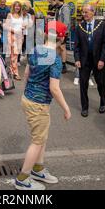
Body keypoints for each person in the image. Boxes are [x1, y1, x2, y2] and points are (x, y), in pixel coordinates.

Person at [15, 21, 71, 191]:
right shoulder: (54, 58)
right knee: (38, 141)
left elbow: (26, 74)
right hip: (38, 104)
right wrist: (66, 108)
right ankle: (23, 179)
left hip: (30, 99)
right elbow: (54, 88)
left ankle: (38, 169)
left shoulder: (34, 50)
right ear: (61, 37)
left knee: (41, 137)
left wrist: (26, 94)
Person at [74, 4, 105, 118]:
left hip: (98, 60)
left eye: (86, 12)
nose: (84, 14)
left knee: (101, 83)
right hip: (85, 60)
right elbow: (77, 46)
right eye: (83, 12)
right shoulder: (80, 27)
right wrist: (77, 59)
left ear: (93, 12)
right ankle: (85, 107)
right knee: (83, 84)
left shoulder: (102, 25)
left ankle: (103, 102)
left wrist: (102, 60)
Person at [4, 1, 24, 80]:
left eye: (19, 6)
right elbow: (5, 26)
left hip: (20, 37)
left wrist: (23, 28)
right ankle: (15, 73)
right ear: (13, 7)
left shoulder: (21, 15)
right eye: (16, 6)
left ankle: (11, 70)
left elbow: (21, 25)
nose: (17, 8)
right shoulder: (10, 15)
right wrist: (13, 30)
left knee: (15, 54)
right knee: (14, 54)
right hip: (12, 36)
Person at [55, 0, 71, 73]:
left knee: (62, 47)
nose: (55, 0)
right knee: (58, 47)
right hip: (58, 31)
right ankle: (59, 64)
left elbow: (66, 21)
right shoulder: (58, 8)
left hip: (63, 31)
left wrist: (63, 33)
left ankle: (64, 66)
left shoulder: (65, 8)